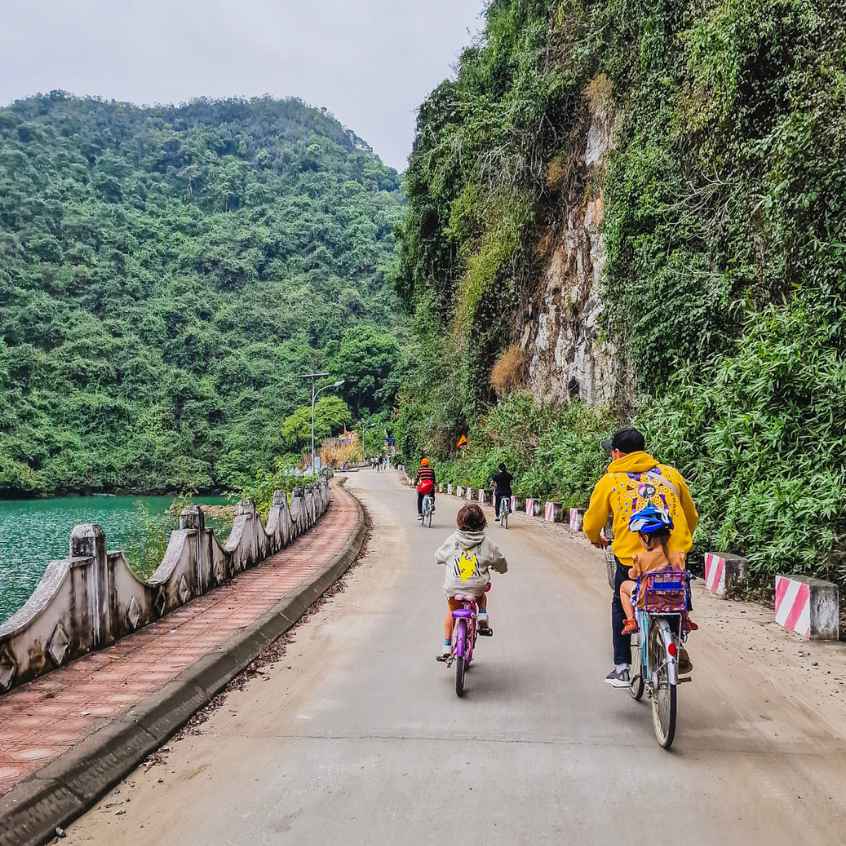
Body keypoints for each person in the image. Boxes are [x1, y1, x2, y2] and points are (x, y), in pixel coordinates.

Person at [583, 427, 699, 688]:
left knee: (619, 599)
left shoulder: (611, 481)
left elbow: (592, 523)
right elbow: (691, 516)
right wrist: (679, 542)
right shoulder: (670, 475)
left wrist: (595, 538)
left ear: (616, 454)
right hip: (675, 557)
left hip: (632, 559)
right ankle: (676, 640)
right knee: (674, 592)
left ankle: (622, 667)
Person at [434, 504, 508, 659]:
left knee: (451, 612)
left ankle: (446, 646)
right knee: (481, 593)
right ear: (482, 522)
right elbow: (500, 561)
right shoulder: (487, 543)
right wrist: (501, 568)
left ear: (459, 522)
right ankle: (482, 614)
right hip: (477, 587)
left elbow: (438, 556)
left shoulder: (452, 540)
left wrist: (444, 559)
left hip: (454, 587)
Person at [618, 504, 698, 635]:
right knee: (685, 582)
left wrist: (631, 572)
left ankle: (631, 620)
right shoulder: (679, 555)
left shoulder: (640, 557)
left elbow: (634, 575)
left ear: (645, 537)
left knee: (623, 587)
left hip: (649, 601)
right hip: (675, 601)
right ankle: (685, 619)